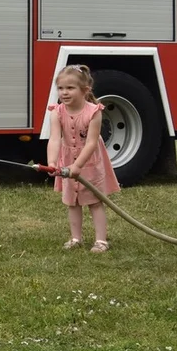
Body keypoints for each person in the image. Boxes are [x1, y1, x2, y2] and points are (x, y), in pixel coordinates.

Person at [47, 65, 121, 253]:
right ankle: (75, 238)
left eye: (70, 88)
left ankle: (101, 241)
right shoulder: (56, 112)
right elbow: (55, 138)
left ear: (85, 90)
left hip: (90, 162)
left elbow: (91, 142)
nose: (64, 92)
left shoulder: (94, 112)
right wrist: (52, 162)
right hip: (67, 160)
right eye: (61, 88)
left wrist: (78, 165)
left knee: (95, 201)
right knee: (73, 202)